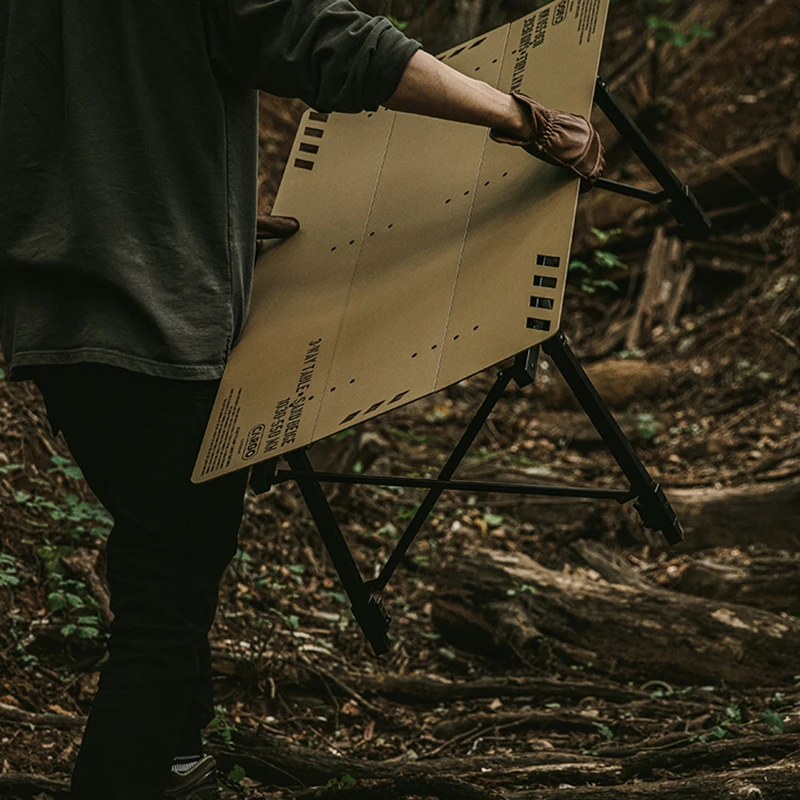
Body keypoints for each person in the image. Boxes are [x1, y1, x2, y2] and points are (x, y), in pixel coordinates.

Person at [0, 1, 603, 798]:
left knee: (162, 566)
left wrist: (205, 219)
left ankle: (179, 766)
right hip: (161, 331)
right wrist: (518, 114)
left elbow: (77, 111)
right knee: (164, 606)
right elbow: (327, 41)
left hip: (53, 322)